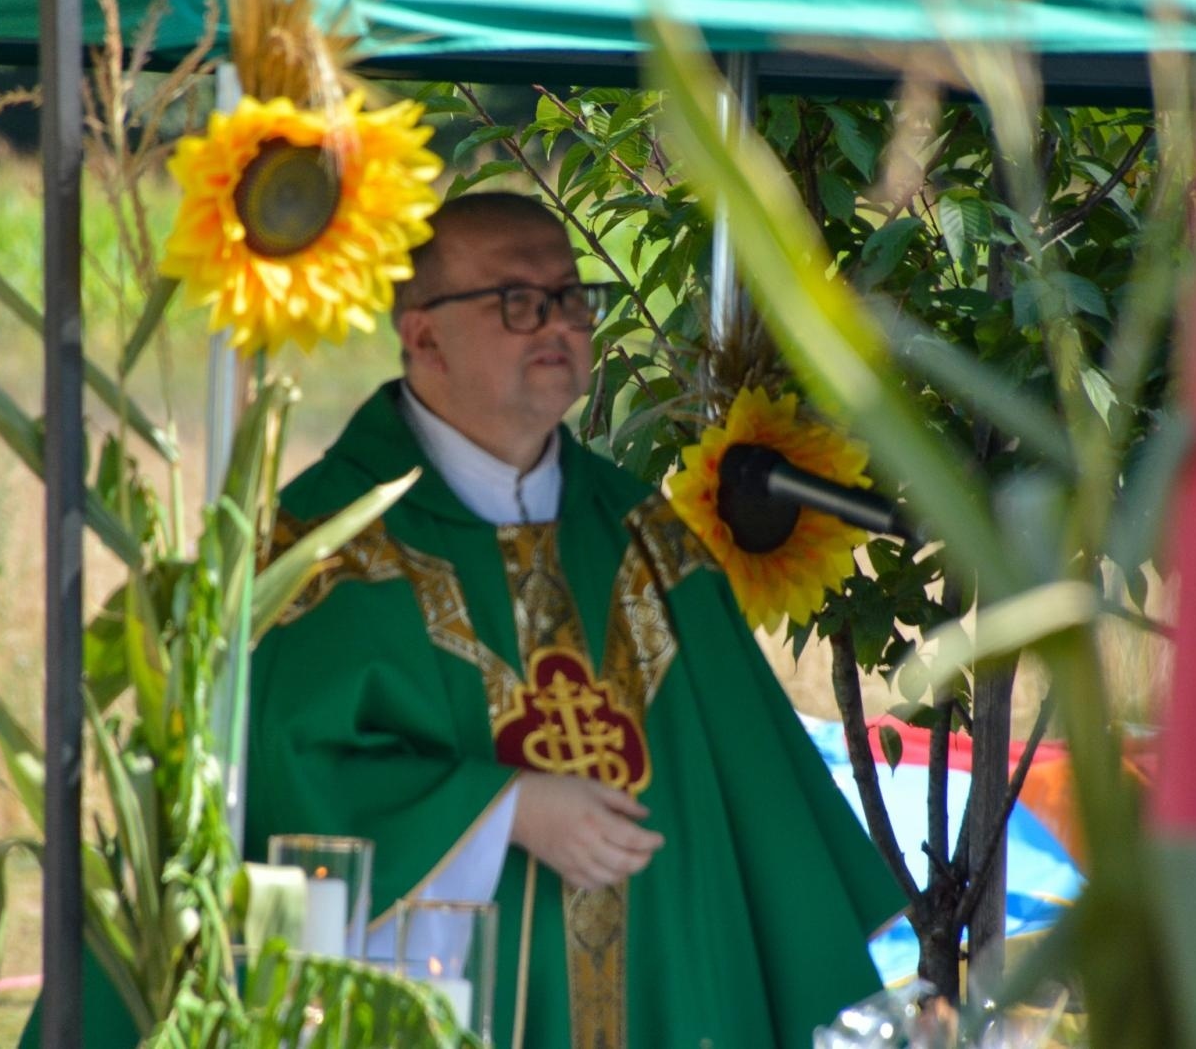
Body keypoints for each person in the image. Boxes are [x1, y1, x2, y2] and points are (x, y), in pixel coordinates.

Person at [243, 191, 902, 1049]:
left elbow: (769, 834)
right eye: (517, 301)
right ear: (422, 334)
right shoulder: (325, 551)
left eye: (570, 297)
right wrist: (500, 812)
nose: (555, 322)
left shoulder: (651, 542)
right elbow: (278, 791)